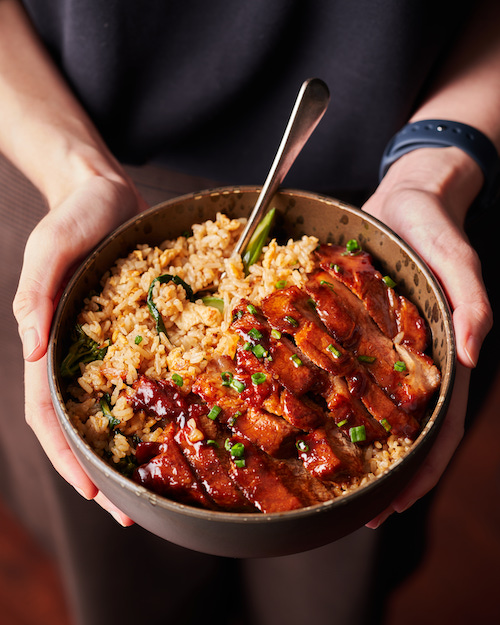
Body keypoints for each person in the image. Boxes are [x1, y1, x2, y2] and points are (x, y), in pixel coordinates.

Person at [0, 0, 498, 623]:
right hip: (66, 174)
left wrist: (439, 163)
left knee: (327, 595)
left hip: (389, 209)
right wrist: (71, 172)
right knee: (121, 581)